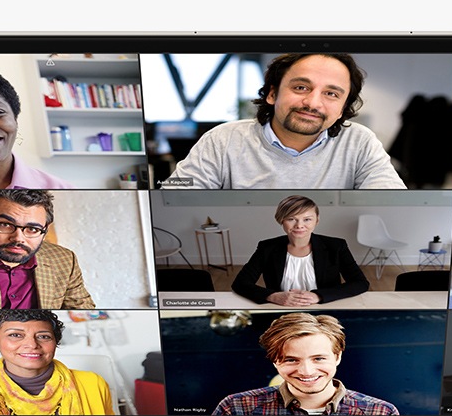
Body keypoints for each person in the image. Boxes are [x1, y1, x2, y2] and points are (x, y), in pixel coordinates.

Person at [162, 53, 406, 189]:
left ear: (342, 109)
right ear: (272, 93)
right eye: (301, 87)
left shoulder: (360, 141)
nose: (313, 103)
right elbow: (175, 194)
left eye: (331, 94)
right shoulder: (222, 140)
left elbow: (391, 201)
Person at [212, 313, 399, 415]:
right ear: (275, 362)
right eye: (291, 359)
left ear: (337, 357)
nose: (306, 371)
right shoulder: (236, 408)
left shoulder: (380, 412)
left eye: (318, 358)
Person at [0, 309, 114, 415]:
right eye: (15, 335)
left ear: (55, 342)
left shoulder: (93, 383)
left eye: (44, 336)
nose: (32, 345)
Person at [231, 195, 369, 307]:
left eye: (307, 219)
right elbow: (240, 283)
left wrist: (318, 295)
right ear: (281, 220)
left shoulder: (336, 246)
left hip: (325, 309)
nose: (299, 225)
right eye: (291, 219)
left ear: (317, 221)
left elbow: (360, 283)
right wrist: (273, 296)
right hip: (281, 309)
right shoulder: (267, 247)